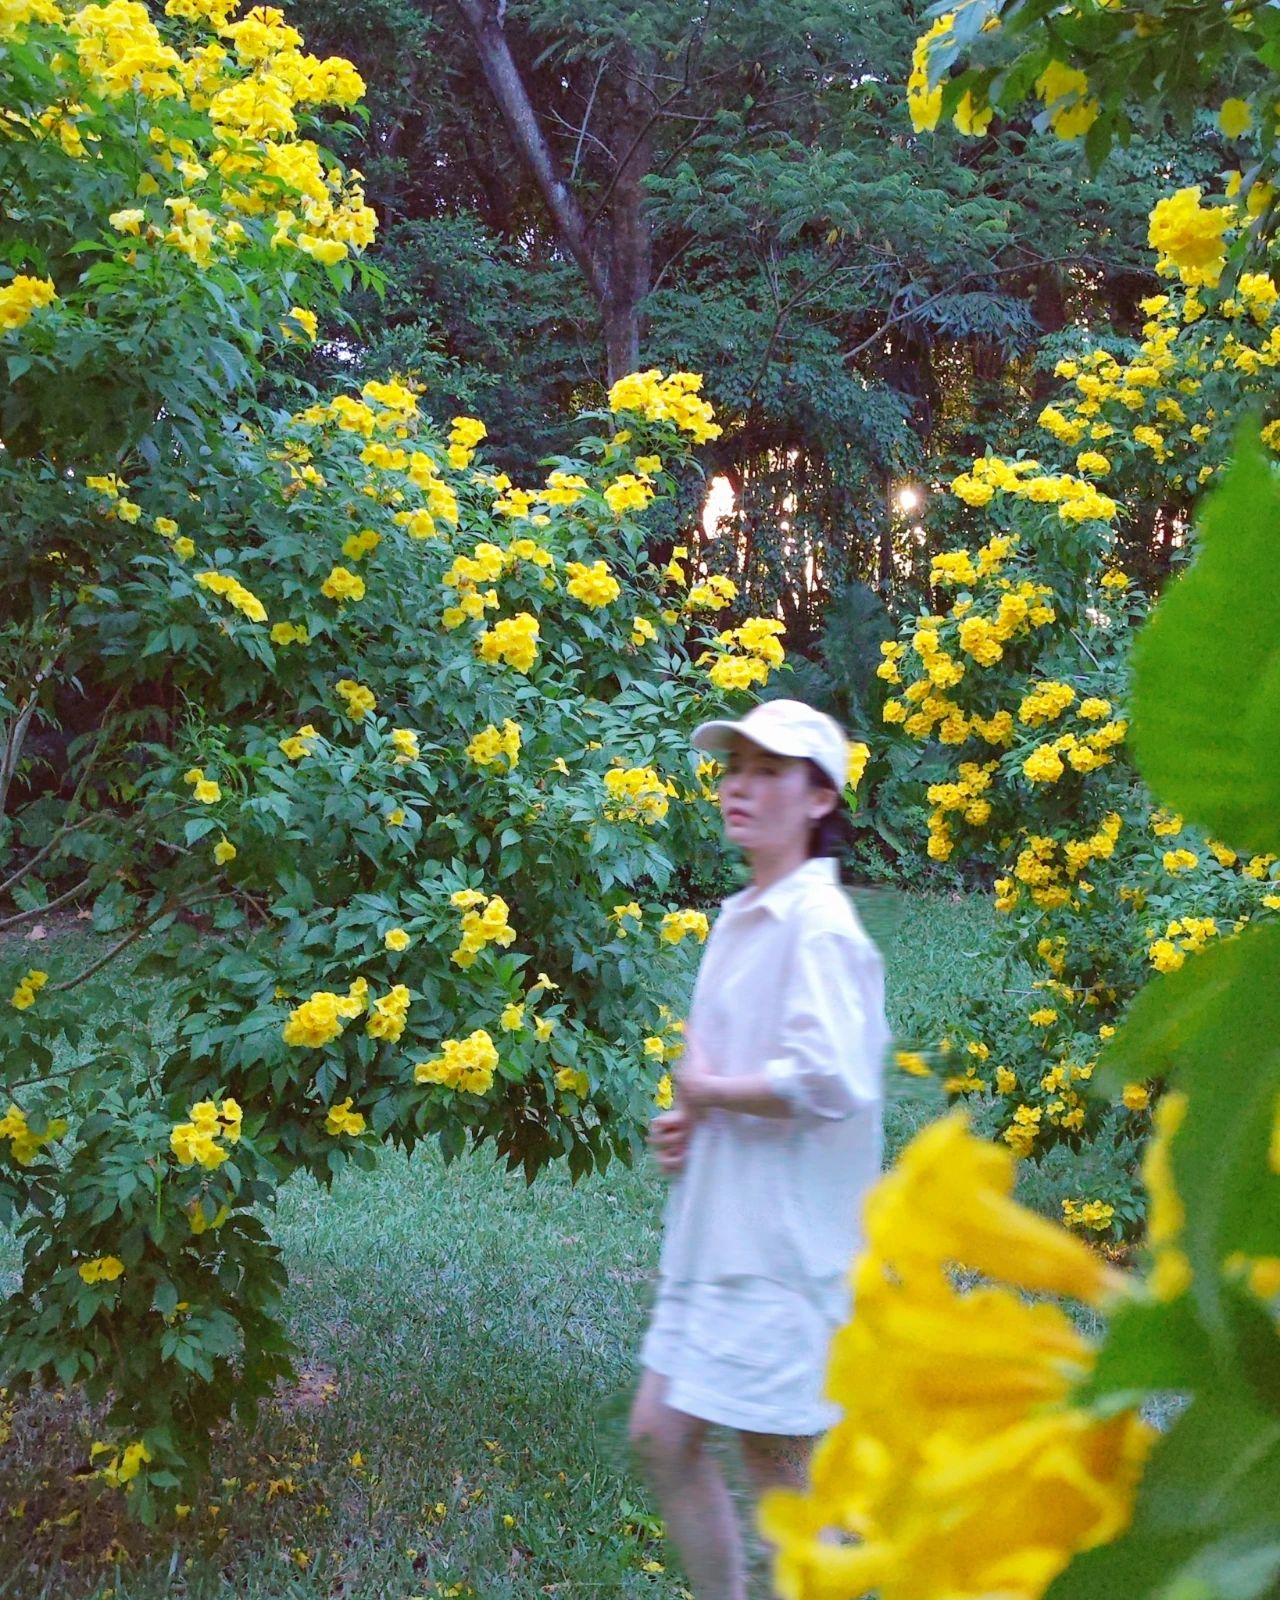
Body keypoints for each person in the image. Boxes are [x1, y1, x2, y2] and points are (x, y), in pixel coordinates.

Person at [629, 697, 888, 1600]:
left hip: (784, 1252)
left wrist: (708, 1092)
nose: (740, 786)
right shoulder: (744, 914)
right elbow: (742, 1072)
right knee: (665, 1434)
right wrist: (691, 1122)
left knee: (783, 1474)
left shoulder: (819, 928)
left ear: (819, 799)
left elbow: (833, 1078)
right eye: (734, 767)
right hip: (722, 1235)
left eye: (769, 770)